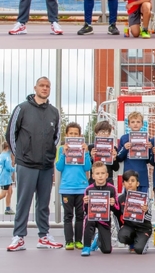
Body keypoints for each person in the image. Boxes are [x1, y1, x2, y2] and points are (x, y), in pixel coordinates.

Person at [6, 76, 63, 251]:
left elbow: (57, 137)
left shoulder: (54, 112)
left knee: (44, 202)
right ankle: (19, 236)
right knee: (23, 201)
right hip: (26, 164)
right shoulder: (21, 108)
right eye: (42, 86)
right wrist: (19, 155)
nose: (45, 88)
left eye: (48, 86)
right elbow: (10, 134)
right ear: (35, 87)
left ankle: (44, 236)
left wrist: (49, 156)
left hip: (45, 165)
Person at [55, 122, 91, 250]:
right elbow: (59, 167)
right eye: (71, 133)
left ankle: (78, 241)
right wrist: (64, 153)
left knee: (80, 216)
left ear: (80, 135)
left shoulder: (83, 149)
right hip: (67, 188)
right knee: (68, 216)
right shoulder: (61, 149)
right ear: (66, 135)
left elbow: (88, 167)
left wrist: (86, 153)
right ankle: (69, 241)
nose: (73, 135)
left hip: (81, 188)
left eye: (76, 133)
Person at [82, 161, 120, 256]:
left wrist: (113, 204)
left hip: (104, 219)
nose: (100, 176)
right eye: (97, 173)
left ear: (107, 175)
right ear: (93, 176)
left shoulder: (112, 189)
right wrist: (85, 203)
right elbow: (85, 210)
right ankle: (86, 246)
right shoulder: (88, 189)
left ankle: (98, 239)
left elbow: (117, 209)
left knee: (107, 250)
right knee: (88, 220)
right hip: (92, 217)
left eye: (102, 173)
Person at [117, 170, 153, 255]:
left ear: (137, 183)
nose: (130, 183)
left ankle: (143, 241)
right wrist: (120, 228)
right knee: (122, 237)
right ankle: (132, 241)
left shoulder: (144, 198)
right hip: (129, 226)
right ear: (123, 184)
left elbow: (149, 218)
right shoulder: (120, 199)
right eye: (127, 181)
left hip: (143, 227)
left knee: (139, 250)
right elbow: (117, 215)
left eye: (132, 181)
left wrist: (146, 211)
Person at [117, 112, 152, 194]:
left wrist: (149, 149)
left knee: (142, 203)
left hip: (142, 177)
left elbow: (148, 160)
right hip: (128, 177)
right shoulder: (124, 138)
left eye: (138, 122)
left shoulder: (146, 139)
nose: (135, 124)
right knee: (129, 203)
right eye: (132, 122)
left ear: (142, 124)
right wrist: (125, 148)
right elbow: (119, 158)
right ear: (128, 124)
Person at [87, 120, 119, 185]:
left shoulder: (113, 148)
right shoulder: (91, 147)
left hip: (108, 180)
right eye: (101, 131)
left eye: (106, 131)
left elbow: (116, 168)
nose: (103, 134)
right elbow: (87, 167)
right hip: (94, 181)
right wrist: (92, 158)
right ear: (96, 133)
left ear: (109, 133)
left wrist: (114, 158)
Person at [0, 142, 16, 215]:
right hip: (5, 178)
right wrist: (15, 169)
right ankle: (8, 208)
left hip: (7, 178)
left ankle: (8, 208)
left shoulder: (3, 155)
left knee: (10, 191)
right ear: (7, 148)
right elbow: (8, 167)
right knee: (3, 194)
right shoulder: (6, 156)